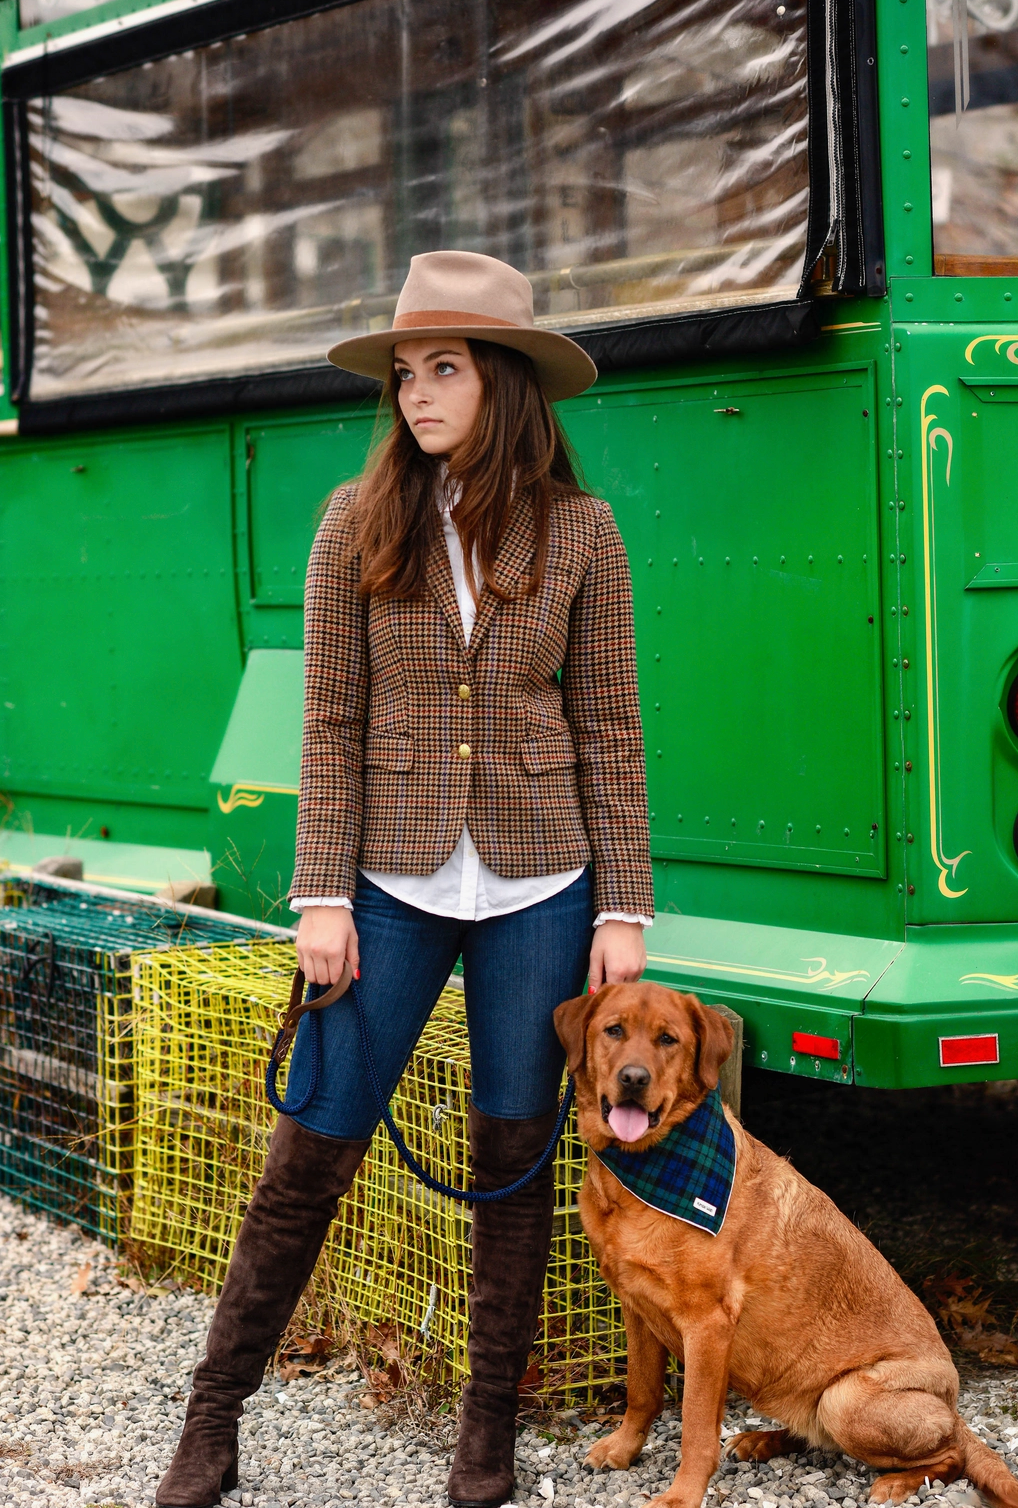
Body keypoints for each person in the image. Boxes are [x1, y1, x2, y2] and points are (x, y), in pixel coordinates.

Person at [156, 250, 654, 1508]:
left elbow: (609, 723)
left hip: (542, 884)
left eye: (444, 367)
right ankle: (211, 1417)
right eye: (404, 372)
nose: (418, 392)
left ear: (503, 379)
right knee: (308, 1148)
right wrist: (320, 890)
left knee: (513, 1152)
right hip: (383, 878)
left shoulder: (583, 530)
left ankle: (485, 1434)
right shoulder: (354, 520)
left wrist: (623, 907)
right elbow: (328, 722)